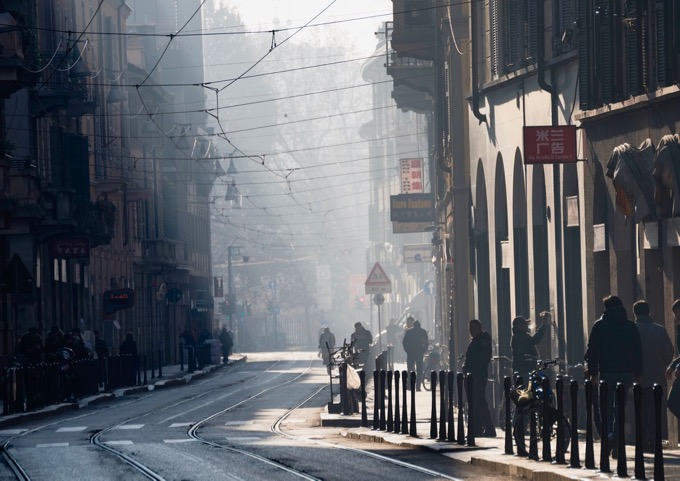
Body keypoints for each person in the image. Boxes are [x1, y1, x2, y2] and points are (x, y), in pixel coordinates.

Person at [584, 295, 643, 458]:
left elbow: (592, 350)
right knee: (620, 408)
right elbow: (637, 350)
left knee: (606, 406)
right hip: (625, 372)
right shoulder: (630, 326)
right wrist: (638, 373)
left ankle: (609, 435)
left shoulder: (600, 325)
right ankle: (617, 438)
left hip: (607, 372)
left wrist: (593, 372)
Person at [633, 300, 674, 452]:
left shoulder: (633, 330)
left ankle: (643, 442)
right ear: (649, 311)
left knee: (640, 412)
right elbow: (669, 351)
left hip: (638, 379)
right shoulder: (660, 330)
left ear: (635, 313)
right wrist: (661, 363)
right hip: (657, 377)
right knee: (656, 412)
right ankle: (655, 440)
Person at [462, 319, 496, 437]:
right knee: (474, 403)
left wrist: (471, 369)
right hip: (472, 376)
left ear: (480, 328)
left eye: (475, 328)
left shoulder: (482, 341)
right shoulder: (476, 340)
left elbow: (482, 359)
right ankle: (477, 428)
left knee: (479, 402)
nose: (472, 330)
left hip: (478, 376)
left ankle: (488, 428)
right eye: (470, 328)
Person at [511, 312, 550, 381]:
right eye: (524, 325)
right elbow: (534, 340)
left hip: (525, 368)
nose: (526, 326)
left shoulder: (519, 336)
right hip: (524, 369)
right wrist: (544, 325)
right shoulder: (519, 337)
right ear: (519, 326)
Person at [402, 319, 429, 390]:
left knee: (410, 368)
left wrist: (407, 350)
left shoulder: (409, 331)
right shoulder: (423, 331)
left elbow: (404, 342)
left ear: (413, 325)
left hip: (410, 352)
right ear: (419, 325)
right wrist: (423, 350)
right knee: (419, 369)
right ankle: (418, 386)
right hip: (419, 352)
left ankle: (410, 385)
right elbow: (426, 343)